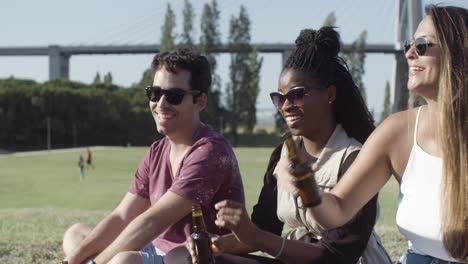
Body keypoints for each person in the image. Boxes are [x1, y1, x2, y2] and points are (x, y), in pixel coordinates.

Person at [164, 27, 391, 264]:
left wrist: (256, 237)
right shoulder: (284, 154)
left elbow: (336, 256)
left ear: (330, 94)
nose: (285, 106)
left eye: (297, 95)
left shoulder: (355, 157)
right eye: (279, 98)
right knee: (181, 257)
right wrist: (217, 243)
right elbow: (266, 228)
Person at [276, 5, 467, 263]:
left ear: (458, 52)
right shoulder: (397, 131)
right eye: (409, 45)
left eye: (422, 45)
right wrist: (308, 188)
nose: (410, 53)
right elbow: (338, 209)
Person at [61, 47, 245, 264]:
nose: (161, 104)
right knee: (76, 234)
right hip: (157, 247)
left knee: (122, 261)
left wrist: (96, 262)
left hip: (194, 256)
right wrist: (70, 261)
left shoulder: (210, 151)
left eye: (174, 96)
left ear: (200, 101)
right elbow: (122, 216)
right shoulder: (157, 150)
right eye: (155, 93)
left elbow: (153, 221)